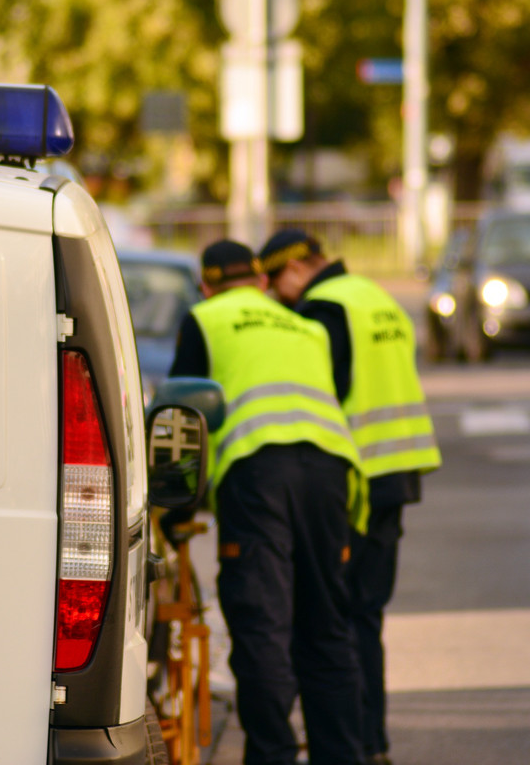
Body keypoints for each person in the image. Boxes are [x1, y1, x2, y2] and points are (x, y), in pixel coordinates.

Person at [165, 239, 369, 765]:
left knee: (263, 625)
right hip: (329, 473)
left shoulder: (205, 319)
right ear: (259, 280)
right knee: (326, 627)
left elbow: (185, 424)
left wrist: (177, 511)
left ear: (206, 285)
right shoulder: (304, 325)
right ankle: (342, 755)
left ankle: (273, 755)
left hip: (260, 475)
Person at [258, 229, 442, 765]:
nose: (277, 297)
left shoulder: (325, 309)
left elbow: (322, 394)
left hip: (355, 480)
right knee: (366, 615)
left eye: (275, 283)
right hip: (397, 472)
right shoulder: (375, 297)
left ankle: (355, 744)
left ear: (294, 269)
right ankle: (372, 742)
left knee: (337, 617)